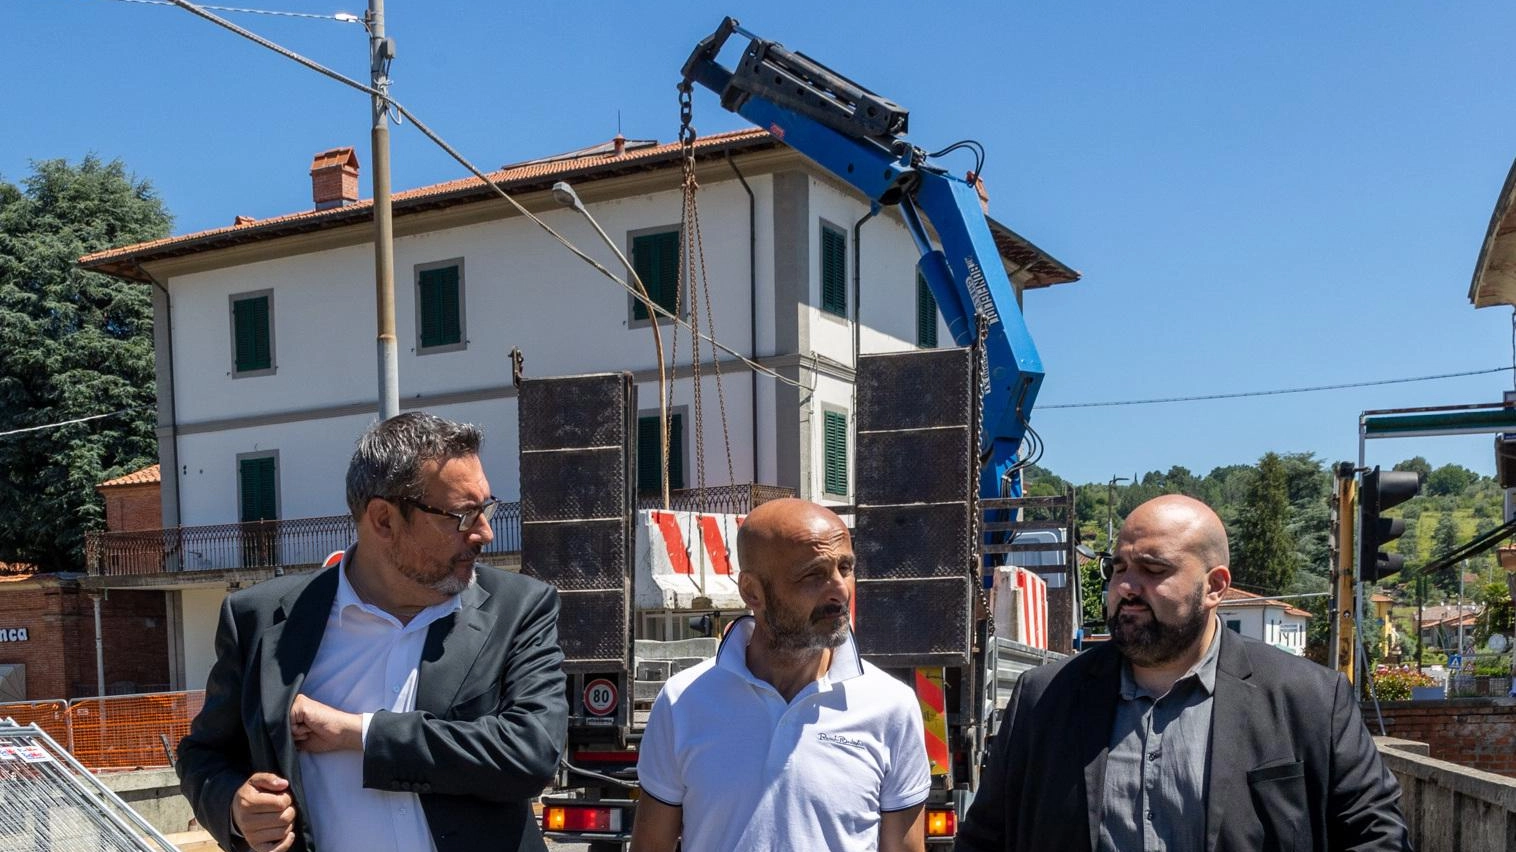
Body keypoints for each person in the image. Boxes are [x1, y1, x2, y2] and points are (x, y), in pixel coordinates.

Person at [177, 412, 567, 852]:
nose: (485, 533)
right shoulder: (261, 620)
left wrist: (360, 734)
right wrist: (234, 808)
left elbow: (531, 752)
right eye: (463, 515)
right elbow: (203, 754)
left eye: (485, 508)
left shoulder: (519, 608)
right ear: (383, 519)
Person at [956, 494, 1412, 852]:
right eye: (1118, 569)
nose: (1126, 588)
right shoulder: (1044, 698)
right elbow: (985, 839)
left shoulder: (1310, 698)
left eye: (1153, 570)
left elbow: (1377, 837)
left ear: (1214, 586)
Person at [630, 498, 930, 852]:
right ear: (751, 591)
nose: (840, 590)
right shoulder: (683, 701)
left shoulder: (890, 705)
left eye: (845, 568)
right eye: (813, 574)